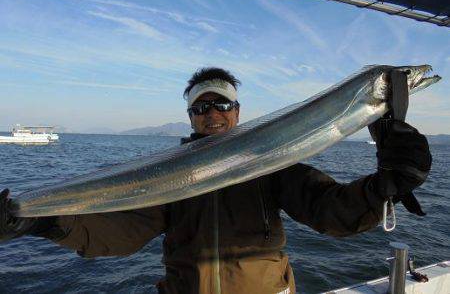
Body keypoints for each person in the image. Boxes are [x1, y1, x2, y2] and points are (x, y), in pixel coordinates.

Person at [0, 68, 432, 294]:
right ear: (190, 116)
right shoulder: (168, 174)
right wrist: (41, 223)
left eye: (221, 103)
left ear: (237, 110)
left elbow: (331, 211)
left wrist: (385, 187)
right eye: (200, 107)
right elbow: (120, 234)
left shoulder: (271, 164)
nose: (211, 113)